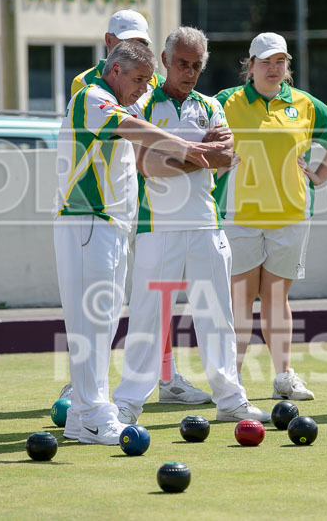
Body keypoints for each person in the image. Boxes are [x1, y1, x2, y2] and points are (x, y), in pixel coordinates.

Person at [54, 41, 225, 445]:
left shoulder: (117, 96)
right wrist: (189, 147)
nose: (143, 89)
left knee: (104, 320)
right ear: (115, 70)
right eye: (138, 80)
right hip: (86, 223)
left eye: (148, 82)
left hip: (110, 226)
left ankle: (82, 415)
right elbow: (133, 129)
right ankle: (95, 413)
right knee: (91, 323)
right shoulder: (93, 97)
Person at [112, 26, 271, 424]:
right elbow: (144, 165)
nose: (189, 71)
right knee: (148, 316)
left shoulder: (210, 106)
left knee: (217, 316)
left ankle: (231, 400)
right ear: (165, 61)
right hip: (157, 227)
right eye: (182, 63)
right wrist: (202, 154)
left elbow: (227, 155)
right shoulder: (142, 105)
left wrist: (184, 157)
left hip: (206, 224)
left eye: (196, 65)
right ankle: (128, 403)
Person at [215, 33, 327, 400]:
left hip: (291, 215)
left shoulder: (304, 104)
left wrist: (320, 176)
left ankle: (283, 377)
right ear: (251, 65)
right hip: (238, 215)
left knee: (276, 297)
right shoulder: (226, 102)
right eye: (265, 62)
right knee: (240, 298)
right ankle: (233, 381)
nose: (273, 69)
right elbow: (196, 138)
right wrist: (217, 163)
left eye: (280, 62)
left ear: (287, 66)